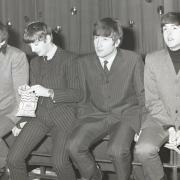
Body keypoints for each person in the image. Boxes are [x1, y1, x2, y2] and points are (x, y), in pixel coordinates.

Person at [68, 17, 145, 180]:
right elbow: (83, 97)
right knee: (73, 146)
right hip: (96, 115)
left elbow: (142, 94)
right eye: (96, 38)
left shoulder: (133, 59)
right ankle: (95, 176)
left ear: (116, 42)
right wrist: (80, 121)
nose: (98, 44)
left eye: (104, 39)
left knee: (116, 150)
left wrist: (142, 125)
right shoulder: (83, 62)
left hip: (125, 115)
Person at [7, 21, 83, 180]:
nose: (32, 50)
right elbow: (35, 97)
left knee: (60, 163)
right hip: (40, 116)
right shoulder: (35, 62)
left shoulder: (71, 59)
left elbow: (78, 94)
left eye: (35, 45)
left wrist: (49, 92)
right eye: (29, 46)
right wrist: (23, 119)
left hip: (65, 117)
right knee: (13, 159)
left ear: (48, 38)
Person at [134, 12, 180, 180]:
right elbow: (152, 100)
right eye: (165, 29)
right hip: (159, 118)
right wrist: (170, 126)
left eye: (175, 28)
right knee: (144, 149)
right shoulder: (153, 59)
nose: (169, 34)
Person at [0, 21, 29, 175]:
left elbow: (22, 95)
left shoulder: (16, 56)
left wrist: (18, 119)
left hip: (10, 111)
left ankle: (11, 168)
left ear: (2, 40)